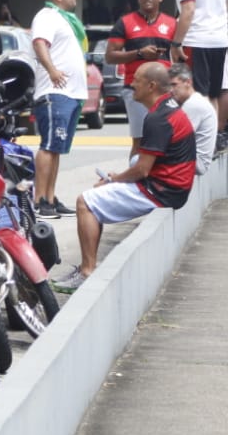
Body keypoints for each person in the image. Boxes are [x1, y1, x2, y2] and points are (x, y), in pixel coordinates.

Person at [52, 62, 194, 293]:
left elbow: (142, 171)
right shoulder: (169, 107)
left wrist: (114, 180)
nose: (131, 83)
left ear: (151, 85)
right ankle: (86, 266)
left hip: (162, 191)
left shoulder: (157, 118)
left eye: (136, 79)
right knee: (125, 169)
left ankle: (87, 270)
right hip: (173, 184)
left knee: (85, 202)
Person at [29, 0, 88, 219]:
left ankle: (51, 198)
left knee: (57, 148)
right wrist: (52, 70)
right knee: (49, 146)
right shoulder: (47, 16)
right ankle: (38, 200)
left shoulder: (65, 19)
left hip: (71, 93)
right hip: (55, 92)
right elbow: (40, 43)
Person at [104, 0, 176, 157]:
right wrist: (139, 54)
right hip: (136, 90)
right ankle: (136, 183)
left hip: (165, 92)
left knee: (167, 139)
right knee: (140, 140)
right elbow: (110, 56)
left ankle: (160, 181)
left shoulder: (172, 23)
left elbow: (180, 57)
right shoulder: (125, 22)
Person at [170, 0, 228, 143]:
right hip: (221, 38)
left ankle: (200, 139)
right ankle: (213, 137)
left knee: (197, 93)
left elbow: (188, 11)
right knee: (213, 93)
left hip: (197, 39)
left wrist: (176, 43)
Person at [169, 63, 216, 175]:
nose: (171, 90)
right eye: (169, 86)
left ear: (188, 82)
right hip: (190, 157)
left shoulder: (193, 104)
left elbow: (173, 136)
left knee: (139, 160)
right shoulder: (191, 101)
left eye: (174, 85)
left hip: (196, 162)